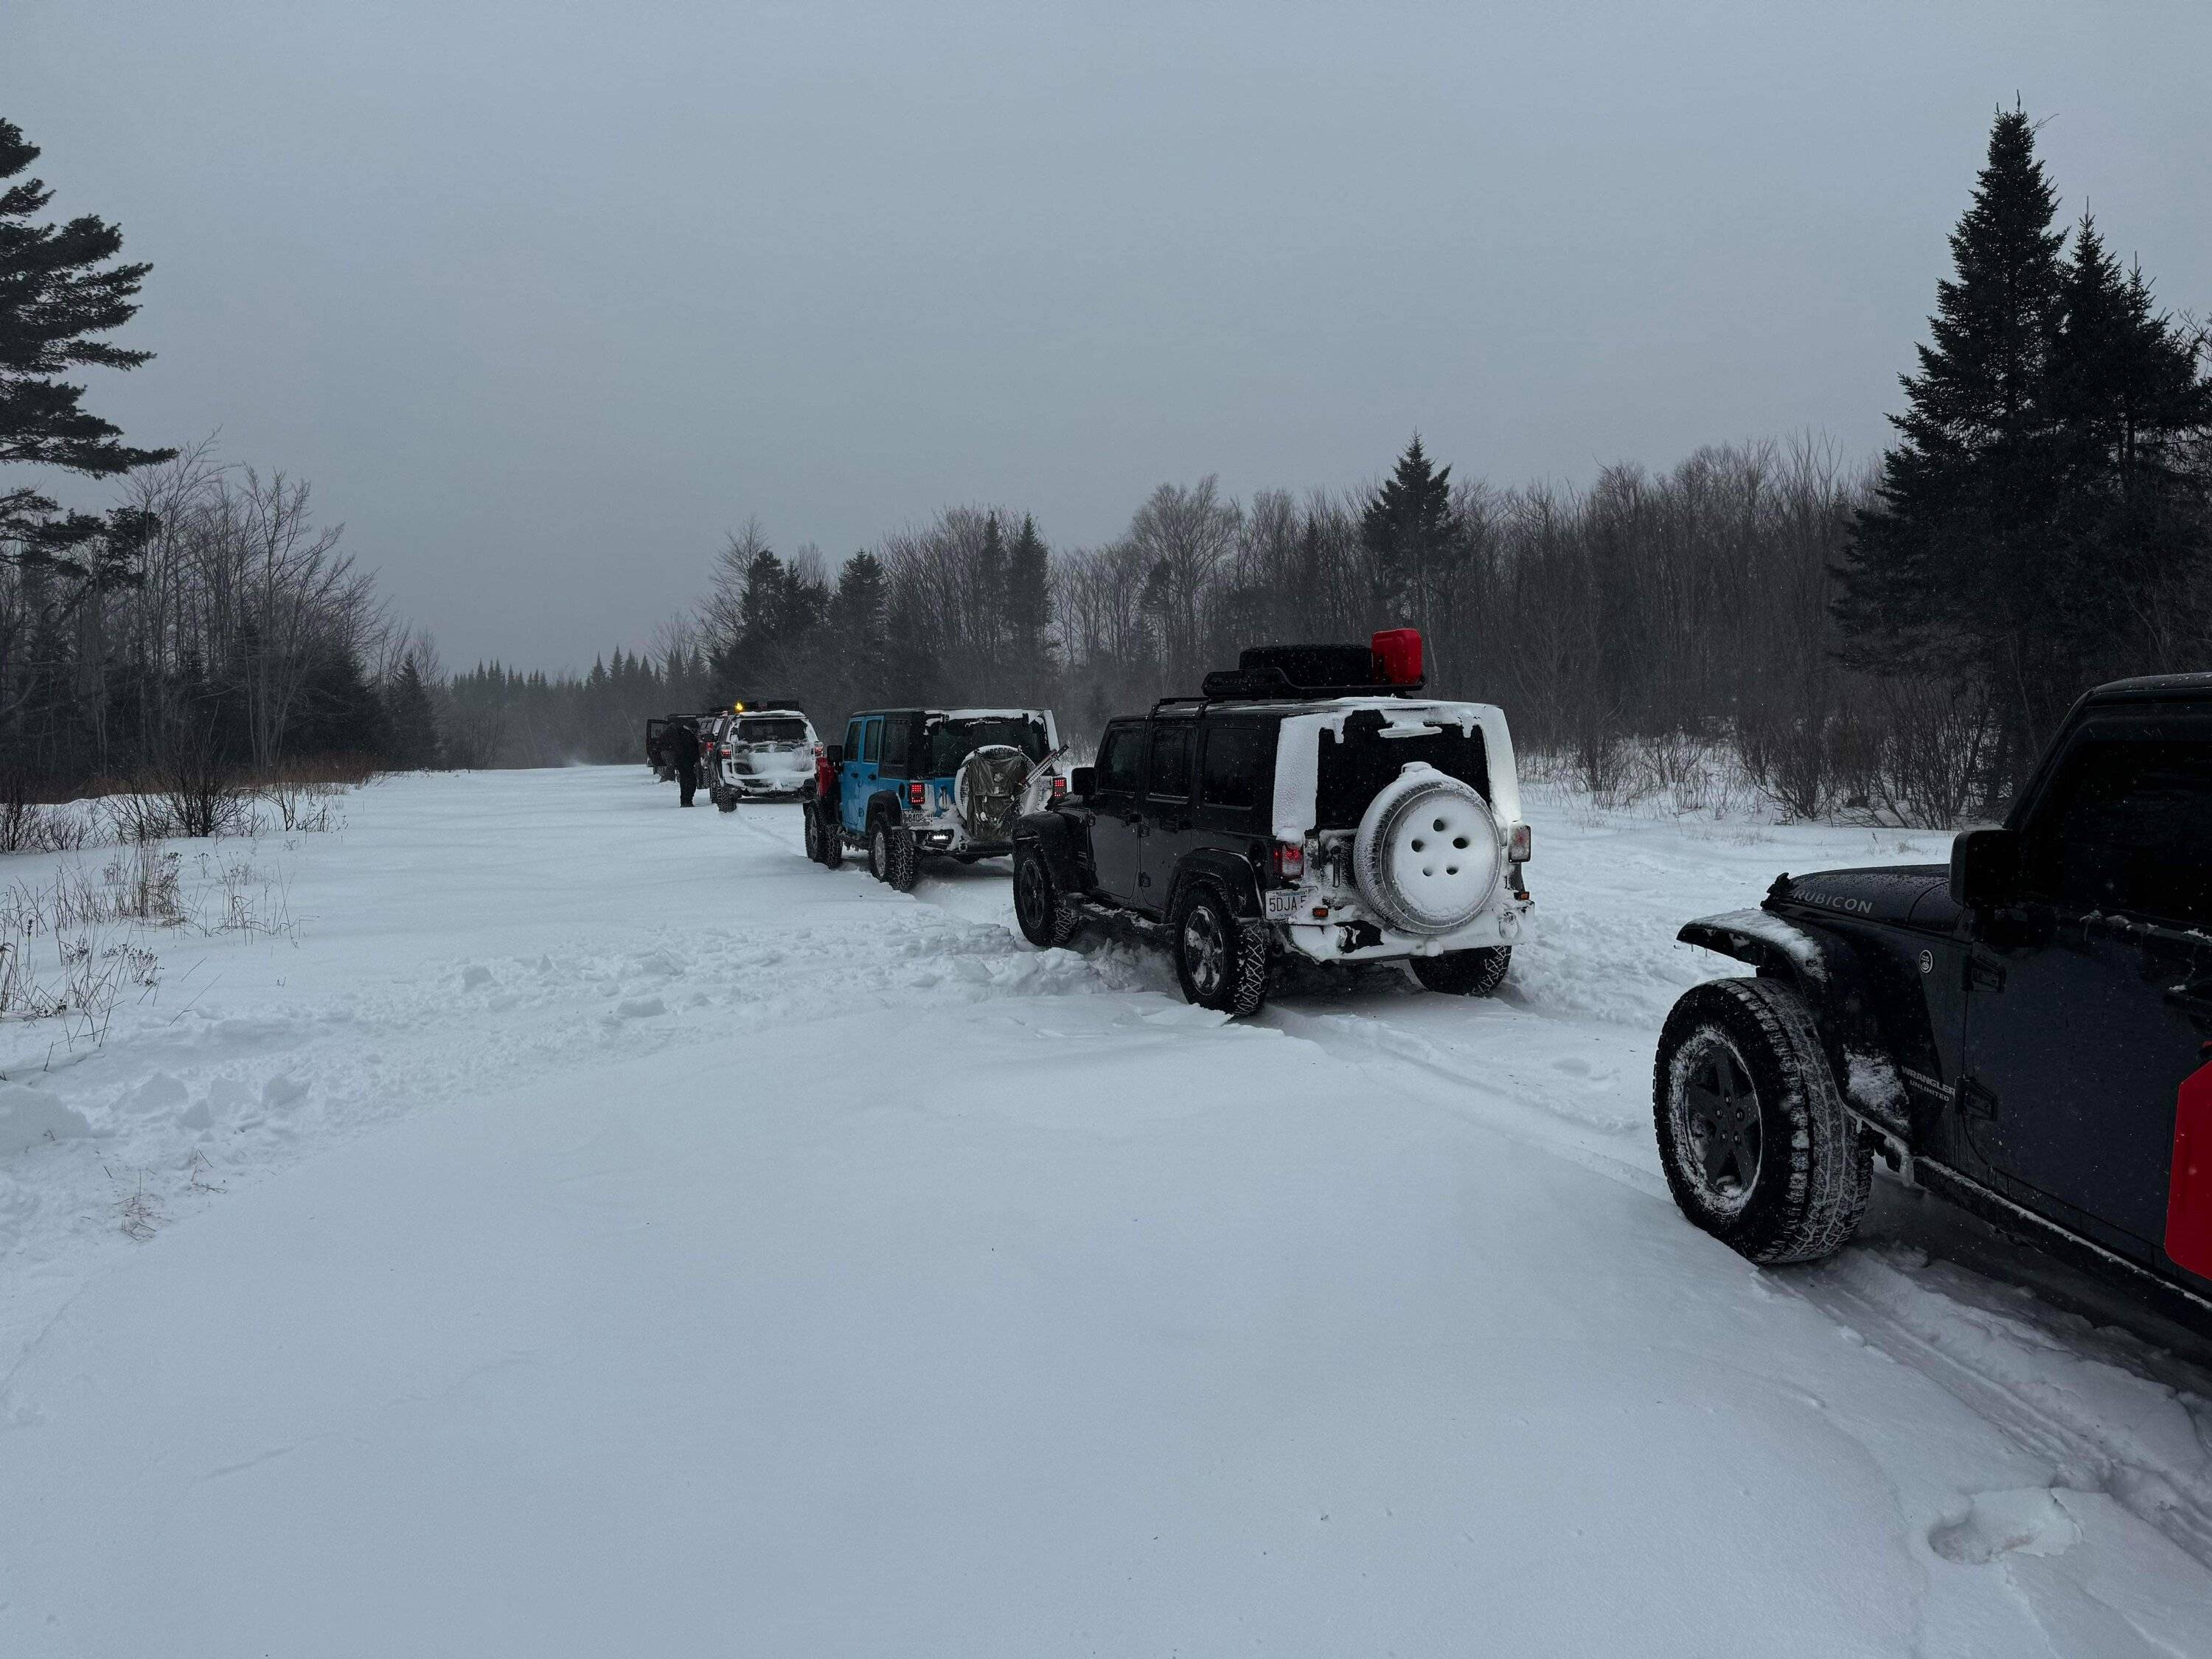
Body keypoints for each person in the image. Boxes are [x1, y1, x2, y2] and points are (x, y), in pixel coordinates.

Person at [668, 720, 698, 807]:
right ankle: (687, 800)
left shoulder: (681, 733)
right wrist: (694, 758)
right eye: (696, 729)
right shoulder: (687, 735)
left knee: (685, 780)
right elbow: (690, 749)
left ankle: (685, 800)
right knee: (690, 781)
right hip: (686, 762)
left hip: (683, 762)